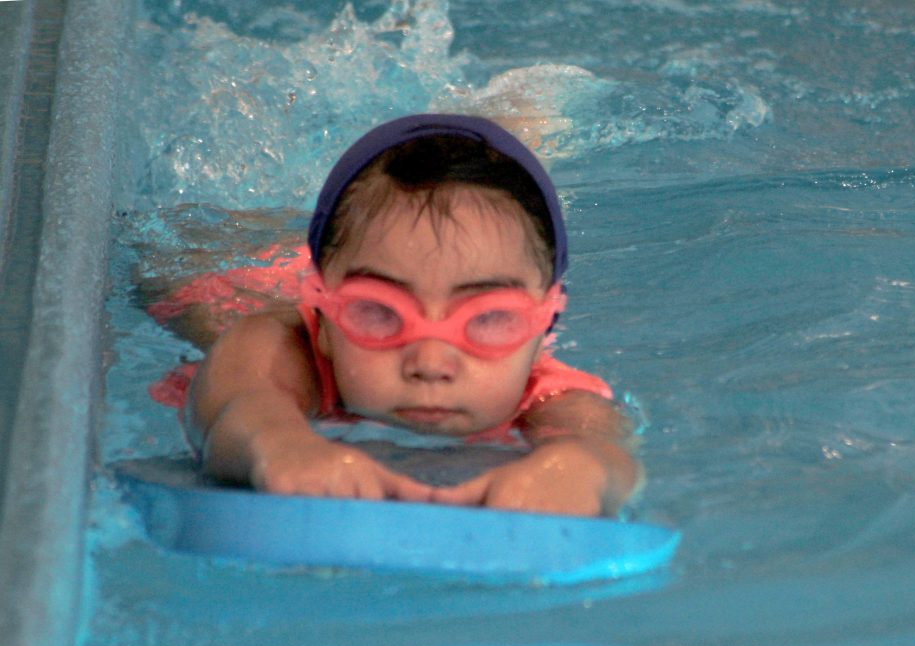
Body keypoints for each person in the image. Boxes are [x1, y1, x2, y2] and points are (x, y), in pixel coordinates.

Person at [184, 114, 641, 517]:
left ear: (542, 329)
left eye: (489, 317)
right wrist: (282, 445)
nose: (430, 363)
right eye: (379, 312)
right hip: (241, 279)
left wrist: (575, 471)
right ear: (322, 319)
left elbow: (603, 454)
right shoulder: (279, 344)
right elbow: (236, 405)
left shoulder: (550, 395)